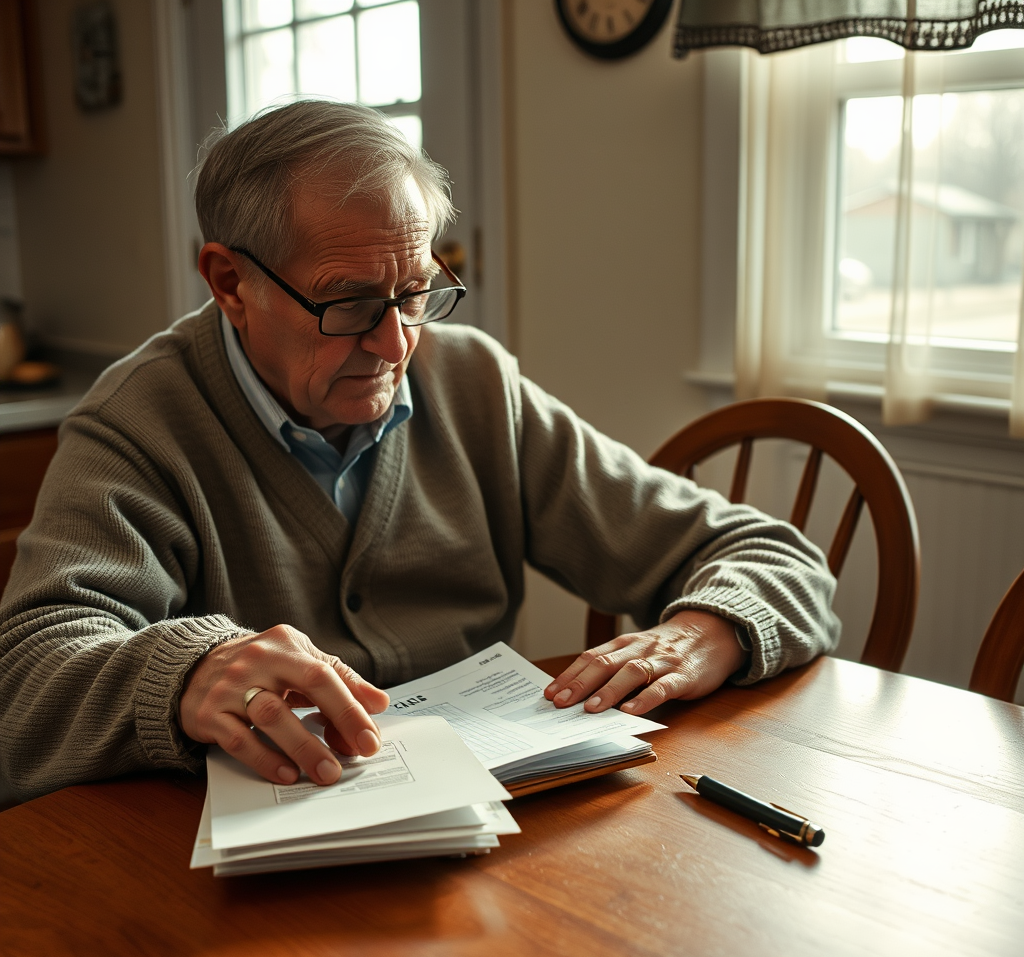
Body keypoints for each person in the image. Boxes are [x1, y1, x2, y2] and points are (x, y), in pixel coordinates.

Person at [0, 102, 839, 802]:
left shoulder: (472, 382)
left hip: (497, 836)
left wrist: (709, 628)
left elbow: (772, 556)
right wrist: (184, 673)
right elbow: (24, 684)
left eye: (414, 294)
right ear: (229, 282)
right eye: (350, 303)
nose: (393, 344)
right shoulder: (140, 422)